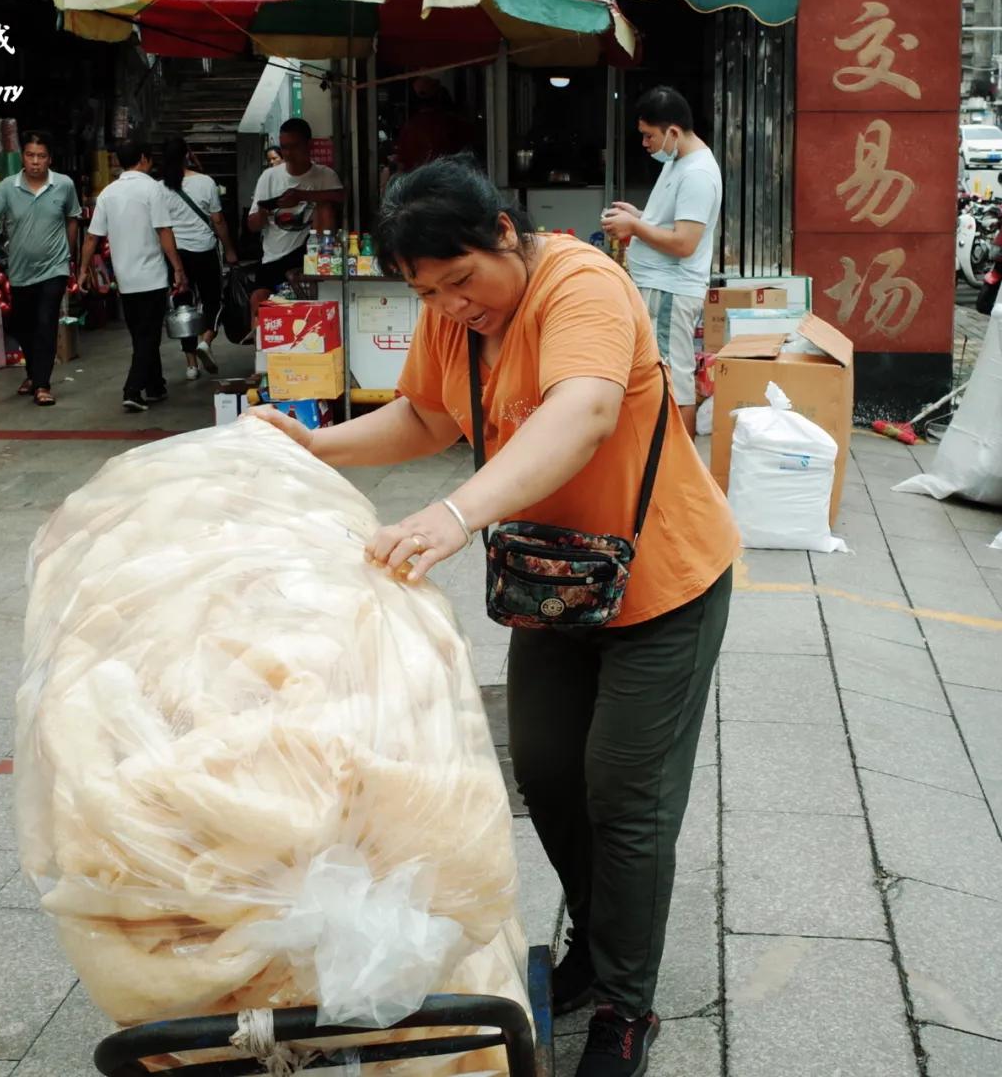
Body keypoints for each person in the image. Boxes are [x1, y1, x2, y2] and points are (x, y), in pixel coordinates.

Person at [249, 157, 738, 1077]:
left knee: (626, 796)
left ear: (505, 235)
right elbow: (426, 418)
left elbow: (585, 411)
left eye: (462, 280)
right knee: (551, 776)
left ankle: (627, 1008)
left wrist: (453, 513)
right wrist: (316, 444)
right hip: (556, 583)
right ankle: (599, 940)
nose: (451, 305)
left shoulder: (581, 282)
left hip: (662, 581)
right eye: (429, 292)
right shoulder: (452, 318)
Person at [601, 86, 723, 440]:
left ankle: (678, 466)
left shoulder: (697, 173)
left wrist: (635, 226)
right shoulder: (679, 162)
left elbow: (685, 243)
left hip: (670, 290)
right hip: (657, 288)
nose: (644, 143)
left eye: (648, 135)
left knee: (673, 378)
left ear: (672, 131)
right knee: (660, 374)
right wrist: (638, 216)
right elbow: (675, 225)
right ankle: (660, 457)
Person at [0, 131, 81, 406]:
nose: (35, 161)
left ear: (49, 159)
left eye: (41, 156)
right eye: (30, 155)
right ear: (23, 158)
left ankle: (42, 384)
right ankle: (33, 372)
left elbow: (73, 219)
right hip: (20, 272)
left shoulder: (64, 185)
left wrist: (68, 254)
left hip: (54, 268)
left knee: (45, 323)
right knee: (21, 324)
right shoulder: (8, 186)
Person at [78, 139, 187, 413]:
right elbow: (164, 231)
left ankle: (155, 385)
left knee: (141, 334)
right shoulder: (153, 189)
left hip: (125, 278)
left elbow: (92, 237)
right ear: (144, 159)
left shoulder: (108, 193)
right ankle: (133, 389)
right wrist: (177, 267)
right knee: (149, 336)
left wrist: (82, 270)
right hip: (151, 275)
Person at [158, 137, 238, 380]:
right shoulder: (206, 182)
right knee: (214, 299)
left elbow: (161, 227)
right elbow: (218, 220)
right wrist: (230, 249)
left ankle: (191, 364)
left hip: (176, 254)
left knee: (184, 306)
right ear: (187, 155)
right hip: (204, 250)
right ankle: (206, 341)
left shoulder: (160, 187)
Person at [246, 118, 342, 320]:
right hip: (274, 256)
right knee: (258, 302)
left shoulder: (324, 175)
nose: (288, 153)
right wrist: (265, 210)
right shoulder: (269, 177)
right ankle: (261, 345)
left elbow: (341, 196)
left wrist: (302, 196)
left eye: (294, 147)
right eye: (284, 148)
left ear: (308, 145)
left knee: (325, 206)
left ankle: (319, 264)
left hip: (310, 252)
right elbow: (252, 225)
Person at [395, 77, 477, 173]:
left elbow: (401, 165)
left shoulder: (409, 128)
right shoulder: (453, 124)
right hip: (449, 181)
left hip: (419, 183)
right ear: (438, 96)